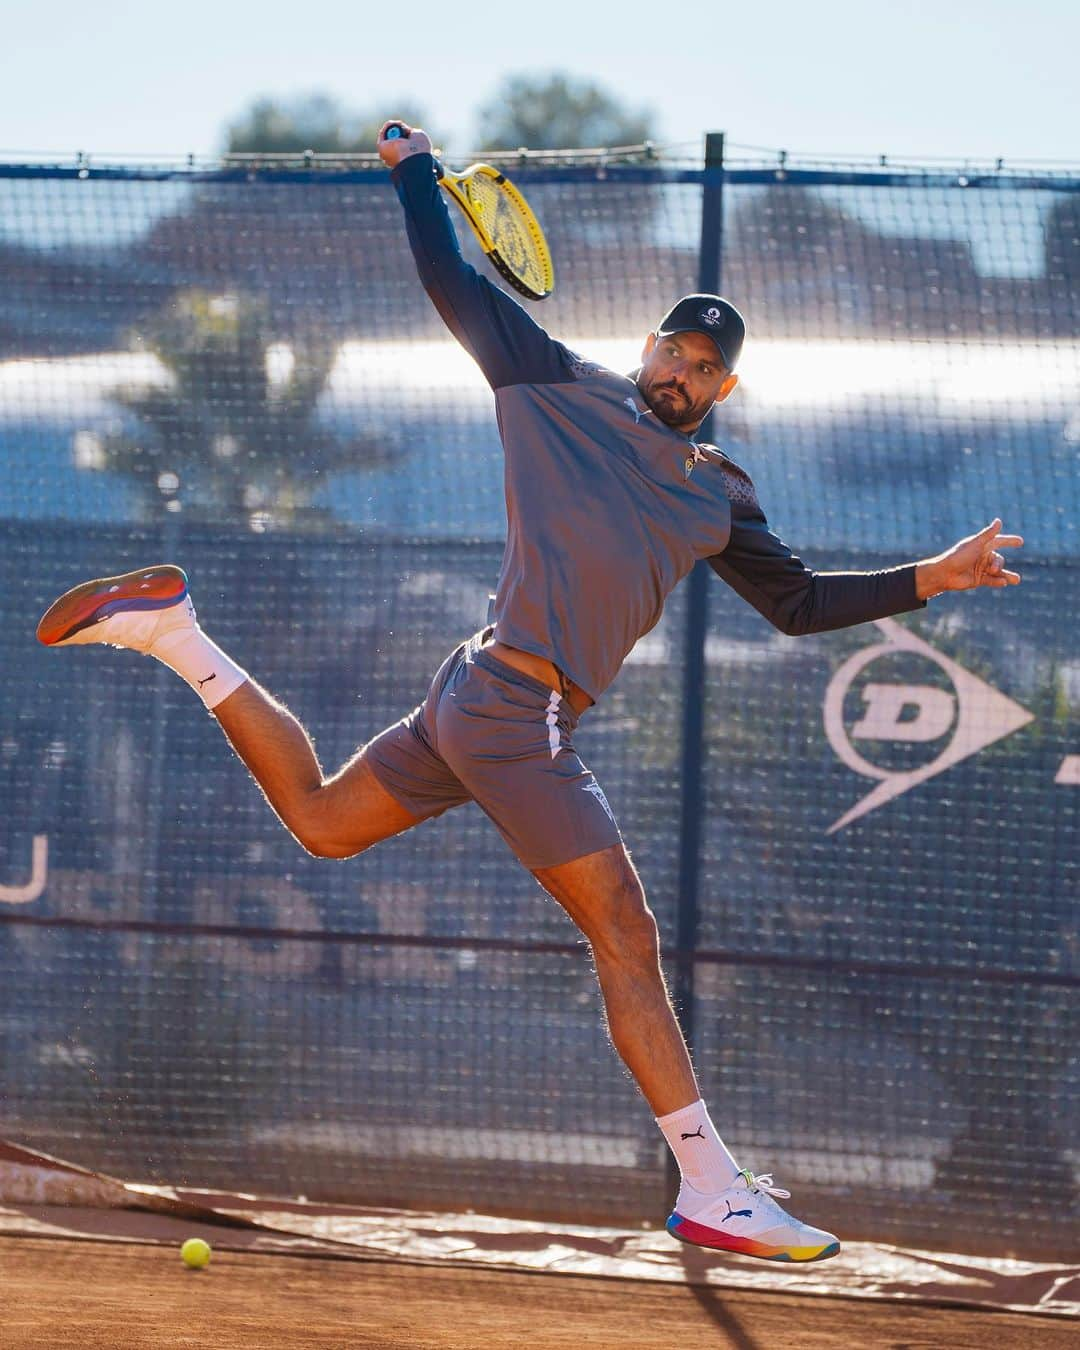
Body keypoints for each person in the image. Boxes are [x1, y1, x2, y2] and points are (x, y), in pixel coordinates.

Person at [36, 120, 1023, 1264]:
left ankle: (175, 633)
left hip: (482, 698)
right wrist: (414, 177)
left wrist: (935, 577)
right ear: (648, 342)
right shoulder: (552, 380)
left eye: (706, 369)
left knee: (319, 823)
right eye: (673, 351)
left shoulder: (723, 498)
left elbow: (796, 604)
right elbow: (449, 278)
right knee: (628, 930)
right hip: (514, 707)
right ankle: (713, 1185)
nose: (681, 374)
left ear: (726, 385)